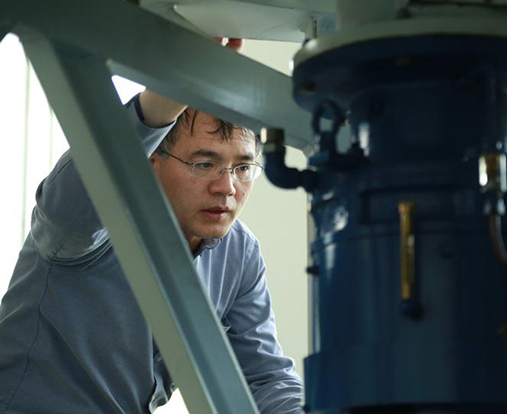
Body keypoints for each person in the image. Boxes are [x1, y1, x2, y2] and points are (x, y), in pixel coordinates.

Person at [0, 39, 303, 413]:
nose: (227, 187)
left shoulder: (239, 253)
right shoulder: (92, 219)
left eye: (242, 168)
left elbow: (263, 379)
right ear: (152, 157)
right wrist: (158, 106)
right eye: (204, 164)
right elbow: (76, 192)